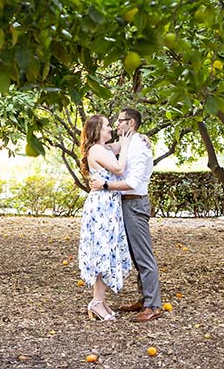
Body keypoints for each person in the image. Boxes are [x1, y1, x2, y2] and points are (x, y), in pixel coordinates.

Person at [89, 107, 163, 322]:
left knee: (144, 256)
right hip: (123, 204)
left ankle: (153, 306)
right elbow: (103, 148)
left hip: (135, 204)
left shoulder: (139, 147)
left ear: (130, 123)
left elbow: (132, 183)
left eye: (120, 121)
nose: (116, 124)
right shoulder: (128, 143)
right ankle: (144, 299)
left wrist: (105, 184)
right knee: (135, 255)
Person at [77, 114, 133, 321]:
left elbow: (122, 145)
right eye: (107, 126)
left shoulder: (104, 148)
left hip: (107, 205)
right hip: (102, 206)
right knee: (101, 253)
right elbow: (119, 168)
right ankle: (96, 302)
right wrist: (126, 145)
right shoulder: (97, 150)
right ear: (97, 130)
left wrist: (137, 137)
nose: (111, 129)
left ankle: (100, 300)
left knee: (105, 252)